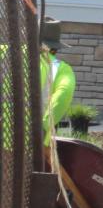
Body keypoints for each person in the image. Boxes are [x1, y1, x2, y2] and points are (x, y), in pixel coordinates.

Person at [39, 18, 76, 146]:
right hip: (33, 143)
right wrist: (42, 128)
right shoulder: (62, 70)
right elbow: (62, 96)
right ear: (55, 48)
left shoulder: (6, 54)